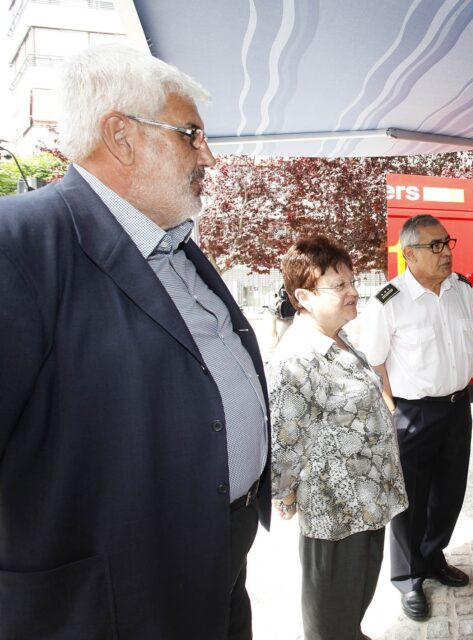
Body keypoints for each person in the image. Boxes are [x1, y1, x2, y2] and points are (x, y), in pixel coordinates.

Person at [0, 44, 270, 639]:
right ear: (120, 136)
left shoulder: (174, 243)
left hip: (221, 557)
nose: (208, 155)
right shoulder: (18, 243)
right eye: (191, 135)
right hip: (114, 601)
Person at [269, 236, 407, 640]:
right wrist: (285, 496)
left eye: (352, 281)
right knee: (329, 620)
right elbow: (285, 441)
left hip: (366, 503)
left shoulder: (339, 337)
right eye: (339, 285)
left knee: (352, 605)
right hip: (335, 514)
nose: (353, 291)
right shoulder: (297, 357)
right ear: (304, 297)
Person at [359, 214, 473, 621]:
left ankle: (433, 557)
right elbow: (374, 362)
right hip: (412, 411)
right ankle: (408, 577)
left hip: (456, 409)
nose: (446, 252)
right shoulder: (388, 300)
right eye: (434, 246)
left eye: (447, 243)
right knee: (411, 500)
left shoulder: (462, 290)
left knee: (449, 493)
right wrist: (392, 411)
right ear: (409, 254)